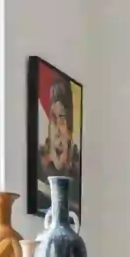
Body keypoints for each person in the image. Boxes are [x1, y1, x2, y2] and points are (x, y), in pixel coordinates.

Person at [37, 77, 81, 213]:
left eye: (62, 119)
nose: (57, 132)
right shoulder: (37, 168)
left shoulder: (78, 182)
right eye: (53, 119)